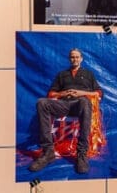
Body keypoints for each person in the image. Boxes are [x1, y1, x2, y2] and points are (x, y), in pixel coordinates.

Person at [29, 47, 102, 175]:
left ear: (81, 59)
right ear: (69, 59)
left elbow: (99, 93)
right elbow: (51, 94)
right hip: (63, 105)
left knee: (85, 101)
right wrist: (63, 93)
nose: (75, 59)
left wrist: (81, 93)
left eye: (77, 57)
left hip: (80, 105)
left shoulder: (88, 74)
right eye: (72, 57)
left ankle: (82, 153)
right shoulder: (62, 75)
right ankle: (48, 152)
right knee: (42, 102)